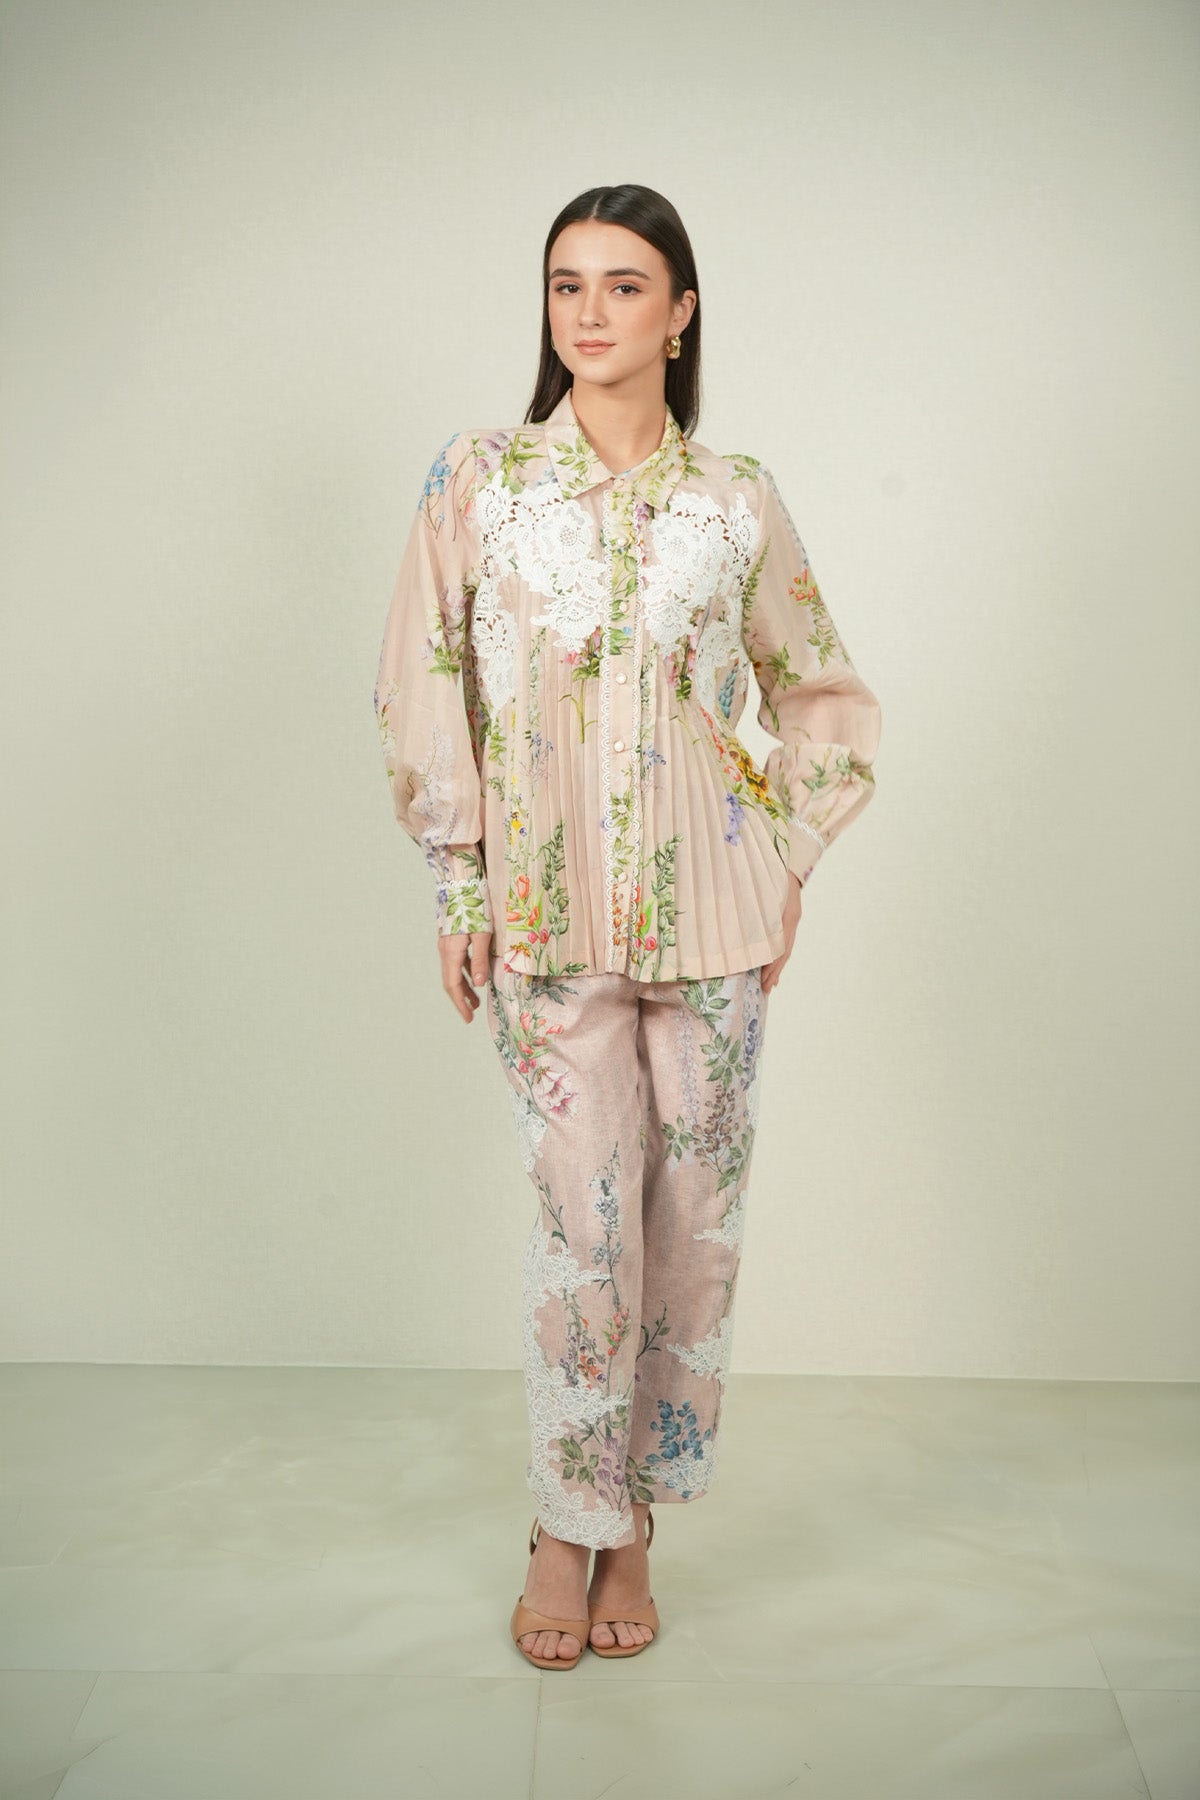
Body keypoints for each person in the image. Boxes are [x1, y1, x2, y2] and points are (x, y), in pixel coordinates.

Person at [373, 184, 882, 1670]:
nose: (589, 312)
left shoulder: (735, 498)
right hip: (545, 920)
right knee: (581, 1226)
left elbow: (823, 694)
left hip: (715, 933)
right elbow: (427, 682)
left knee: (691, 1234)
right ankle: (564, 1523)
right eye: (566, 284)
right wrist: (458, 883)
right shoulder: (480, 480)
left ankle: (637, 1517)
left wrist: (785, 857)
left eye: (623, 284)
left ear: (681, 312)